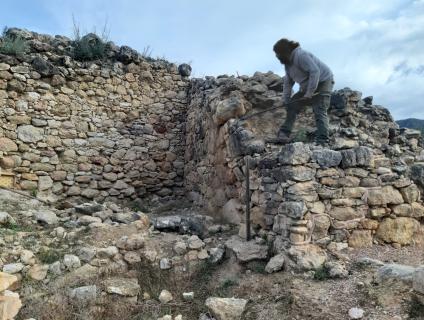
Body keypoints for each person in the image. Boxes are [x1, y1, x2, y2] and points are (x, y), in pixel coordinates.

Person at [273, 38, 334, 145]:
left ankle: (322, 140)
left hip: (324, 81)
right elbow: (288, 83)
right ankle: (284, 133)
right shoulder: (288, 65)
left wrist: (309, 93)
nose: (277, 57)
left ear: (284, 52)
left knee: (319, 109)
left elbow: (315, 72)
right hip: (307, 87)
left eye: (278, 54)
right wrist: (286, 100)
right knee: (292, 105)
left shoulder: (301, 55)